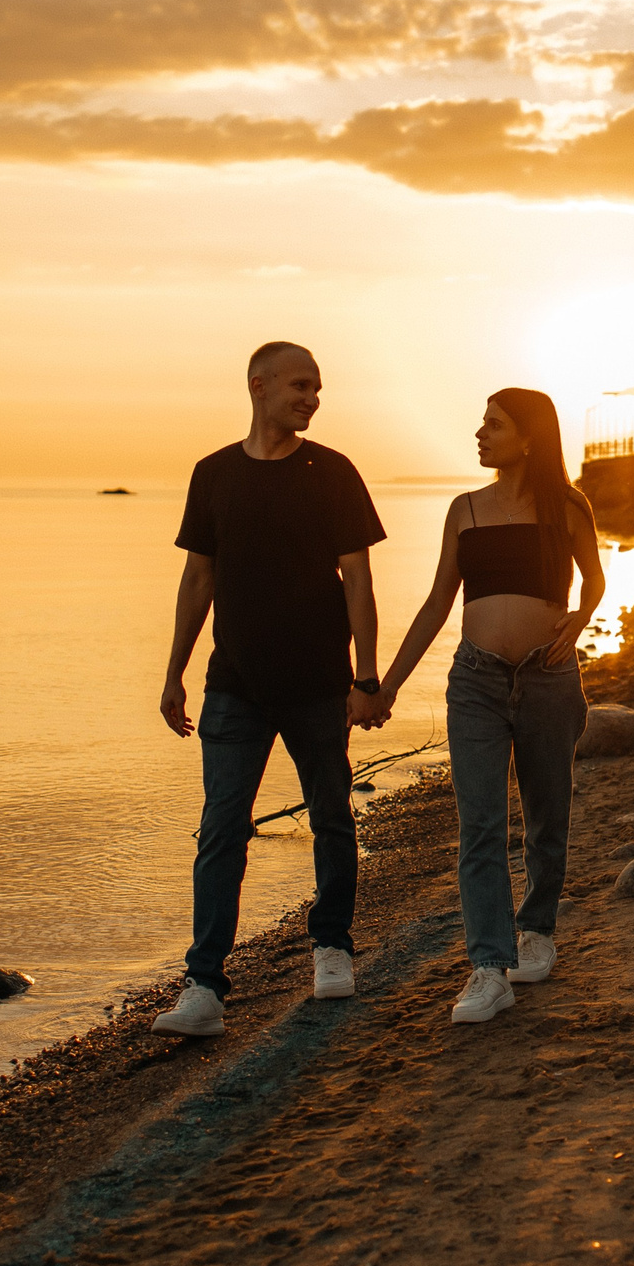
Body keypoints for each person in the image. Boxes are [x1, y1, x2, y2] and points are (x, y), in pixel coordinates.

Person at [153, 341, 388, 1038]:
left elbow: (360, 581)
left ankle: (332, 947)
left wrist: (366, 678)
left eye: (316, 387)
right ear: (258, 386)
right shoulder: (215, 473)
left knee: (331, 816)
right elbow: (198, 578)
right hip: (234, 687)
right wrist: (174, 671)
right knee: (222, 829)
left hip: (319, 684)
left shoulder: (334, 472)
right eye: (299, 385)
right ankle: (203, 987)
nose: (311, 398)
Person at [373, 387, 602, 1024]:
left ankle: (537, 930)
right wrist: (388, 685)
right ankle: (487, 967)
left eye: (493, 424)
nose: (480, 433)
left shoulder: (568, 509)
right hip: (474, 680)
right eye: (481, 422)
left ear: (529, 437)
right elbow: (437, 602)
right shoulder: (464, 510)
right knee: (478, 825)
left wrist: (580, 619)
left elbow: (596, 577)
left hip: (547, 680)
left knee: (545, 815)